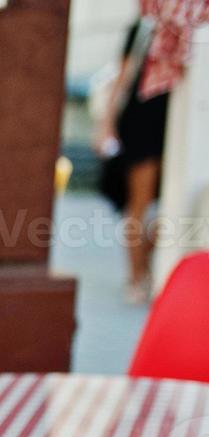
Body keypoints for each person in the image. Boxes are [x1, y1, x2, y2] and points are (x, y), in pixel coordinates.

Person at [96, 17, 169, 304]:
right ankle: (137, 276)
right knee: (139, 203)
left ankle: (148, 266)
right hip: (142, 121)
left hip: (179, 125)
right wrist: (107, 124)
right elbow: (123, 77)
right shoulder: (144, 27)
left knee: (172, 207)